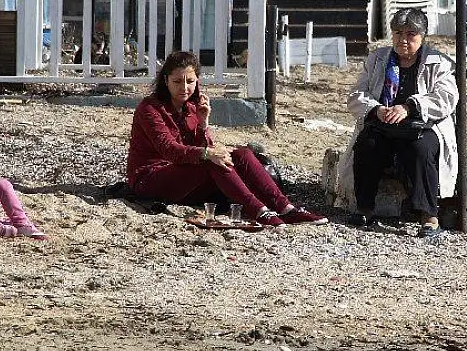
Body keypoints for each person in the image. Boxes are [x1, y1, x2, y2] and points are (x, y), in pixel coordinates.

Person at [126, 50, 326, 227]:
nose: (184, 88)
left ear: (197, 81)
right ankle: (258, 210)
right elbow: (169, 149)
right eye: (177, 81)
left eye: (190, 81)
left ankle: (286, 209)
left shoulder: (192, 106)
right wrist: (208, 153)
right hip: (150, 178)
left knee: (242, 154)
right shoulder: (150, 108)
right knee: (210, 160)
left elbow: (203, 148)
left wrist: (204, 124)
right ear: (166, 81)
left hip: (185, 176)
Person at [338, 8, 458, 238]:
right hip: (383, 123)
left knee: (421, 150)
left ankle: (429, 215)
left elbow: (446, 98)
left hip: (422, 125)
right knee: (368, 144)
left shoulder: (438, 62)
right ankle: (364, 208)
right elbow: (356, 95)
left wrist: (409, 107)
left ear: (422, 36)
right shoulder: (377, 59)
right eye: (398, 33)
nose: (403, 40)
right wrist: (377, 109)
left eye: (411, 34)